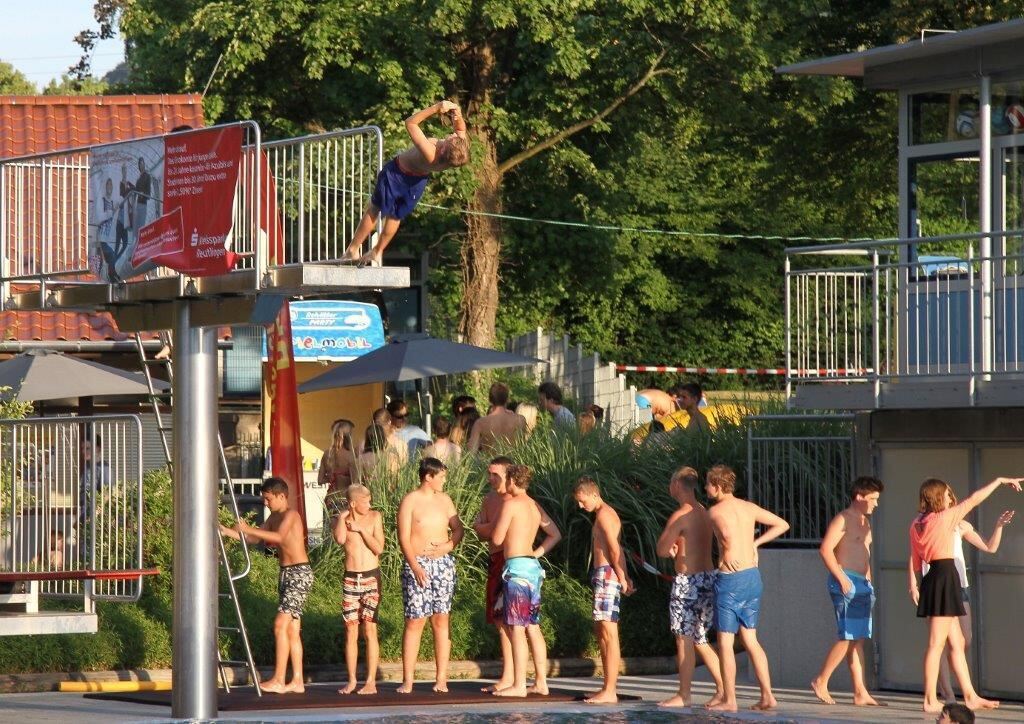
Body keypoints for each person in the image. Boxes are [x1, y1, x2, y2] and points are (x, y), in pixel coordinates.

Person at [908, 475, 1021, 714]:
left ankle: (969, 695)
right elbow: (974, 499)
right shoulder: (945, 518)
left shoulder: (917, 523)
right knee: (936, 644)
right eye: (947, 494)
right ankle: (930, 699)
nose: (951, 496)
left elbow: (917, 563)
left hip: (934, 578)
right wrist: (999, 480)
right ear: (939, 497)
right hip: (945, 575)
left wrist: (917, 583)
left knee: (957, 643)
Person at [341, 101, 470, 266]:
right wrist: (457, 112)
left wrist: (436, 108)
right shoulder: (455, 154)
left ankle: (353, 249)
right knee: (395, 216)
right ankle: (377, 251)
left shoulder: (431, 154)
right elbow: (460, 131)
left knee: (375, 208)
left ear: (444, 150)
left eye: (450, 139)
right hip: (417, 183)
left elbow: (410, 123)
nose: (452, 135)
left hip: (397, 174)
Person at [705, 464, 790, 712]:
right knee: (751, 639)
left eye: (708, 484)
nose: (705, 488)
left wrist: (727, 555)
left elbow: (725, 541)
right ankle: (767, 696)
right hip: (752, 577)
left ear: (718, 486)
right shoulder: (748, 507)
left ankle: (730, 699)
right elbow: (782, 524)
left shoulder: (715, 512)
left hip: (730, 579)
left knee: (725, 641)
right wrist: (755, 543)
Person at [475, 458, 560, 694]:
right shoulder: (533, 505)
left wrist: (484, 526)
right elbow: (555, 534)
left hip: (517, 569)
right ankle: (541, 682)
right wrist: (535, 552)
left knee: (517, 627)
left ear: (511, 480)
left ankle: (520, 685)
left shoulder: (511, 505)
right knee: (533, 626)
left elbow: (497, 539)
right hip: (532, 566)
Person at [220, 477, 311, 694]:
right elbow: (253, 539)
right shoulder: (273, 517)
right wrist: (226, 530)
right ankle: (297, 681)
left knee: (280, 625)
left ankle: (279, 679)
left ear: (281, 496)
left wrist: (247, 527)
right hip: (285, 574)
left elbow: (278, 537)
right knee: (291, 630)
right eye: (264, 499)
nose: (266, 503)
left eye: (268, 499)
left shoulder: (291, 515)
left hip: (300, 573)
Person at [926, 506, 1015, 704]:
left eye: (951, 497)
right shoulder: (926, 522)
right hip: (938, 587)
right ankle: (947, 692)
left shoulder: (961, 525)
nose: (950, 501)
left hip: (959, 587)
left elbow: (990, 547)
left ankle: (952, 686)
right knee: (940, 642)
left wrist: (999, 526)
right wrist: (913, 584)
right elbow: (915, 555)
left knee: (964, 640)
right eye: (946, 496)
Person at [811, 476, 885, 707]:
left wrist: (869, 580)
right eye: (872, 499)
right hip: (847, 581)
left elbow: (864, 553)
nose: (876, 504)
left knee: (858, 639)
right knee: (848, 635)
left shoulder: (865, 522)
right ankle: (821, 680)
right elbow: (825, 550)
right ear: (859, 497)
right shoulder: (843, 519)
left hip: (862, 583)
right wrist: (842, 578)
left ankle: (860, 692)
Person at [655, 466, 725, 708]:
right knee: (700, 638)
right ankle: (723, 689)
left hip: (688, 583)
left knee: (683, 638)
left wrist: (673, 547)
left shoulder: (681, 515)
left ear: (676, 485)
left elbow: (662, 549)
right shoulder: (705, 512)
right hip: (708, 578)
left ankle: (684, 694)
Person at [397, 458, 465, 693]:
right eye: (442, 476)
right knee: (415, 621)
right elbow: (404, 537)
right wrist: (415, 566)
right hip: (418, 564)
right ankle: (408, 680)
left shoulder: (445, 500)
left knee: (441, 619)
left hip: (442, 564)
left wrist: (449, 545)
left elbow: (458, 529)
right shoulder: (410, 500)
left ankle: (441, 679)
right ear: (428, 477)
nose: (445, 480)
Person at [573, 477, 634, 704]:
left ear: (594, 494)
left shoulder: (606, 515)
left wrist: (622, 577)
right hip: (604, 574)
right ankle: (606, 688)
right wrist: (624, 575)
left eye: (582, 501)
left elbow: (616, 550)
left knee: (609, 633)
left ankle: (610, 691)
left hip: (608, 574)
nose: (581, 506)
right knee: (601, 632)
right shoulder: (601, 515)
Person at [332, 484, 384, 695]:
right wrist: (342, 517)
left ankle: (370, 681)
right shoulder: (344, 519)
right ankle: (352, 679)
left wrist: (362, 530)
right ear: (353, 503)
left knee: (369, 629)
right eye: (366, 501)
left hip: (371, 576)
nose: (370, 504)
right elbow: (340, 539)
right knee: (351, 629)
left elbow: (379, 548)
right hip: (351, 578)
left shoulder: (374, 517)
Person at [468, 382, 527, 454]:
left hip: (490, 463)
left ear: (490, 399)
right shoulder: (520, 420)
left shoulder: (480, 423)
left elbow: (471, 452)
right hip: (513, 463)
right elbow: (523, 447)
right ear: (507, 399)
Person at [319, 419, 357, 504]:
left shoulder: (327, 454)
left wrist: (332, 476)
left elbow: (320, 480)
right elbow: (355, 483)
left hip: (330, 499)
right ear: (349, 437)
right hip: (346, 500)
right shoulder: (351, 456)